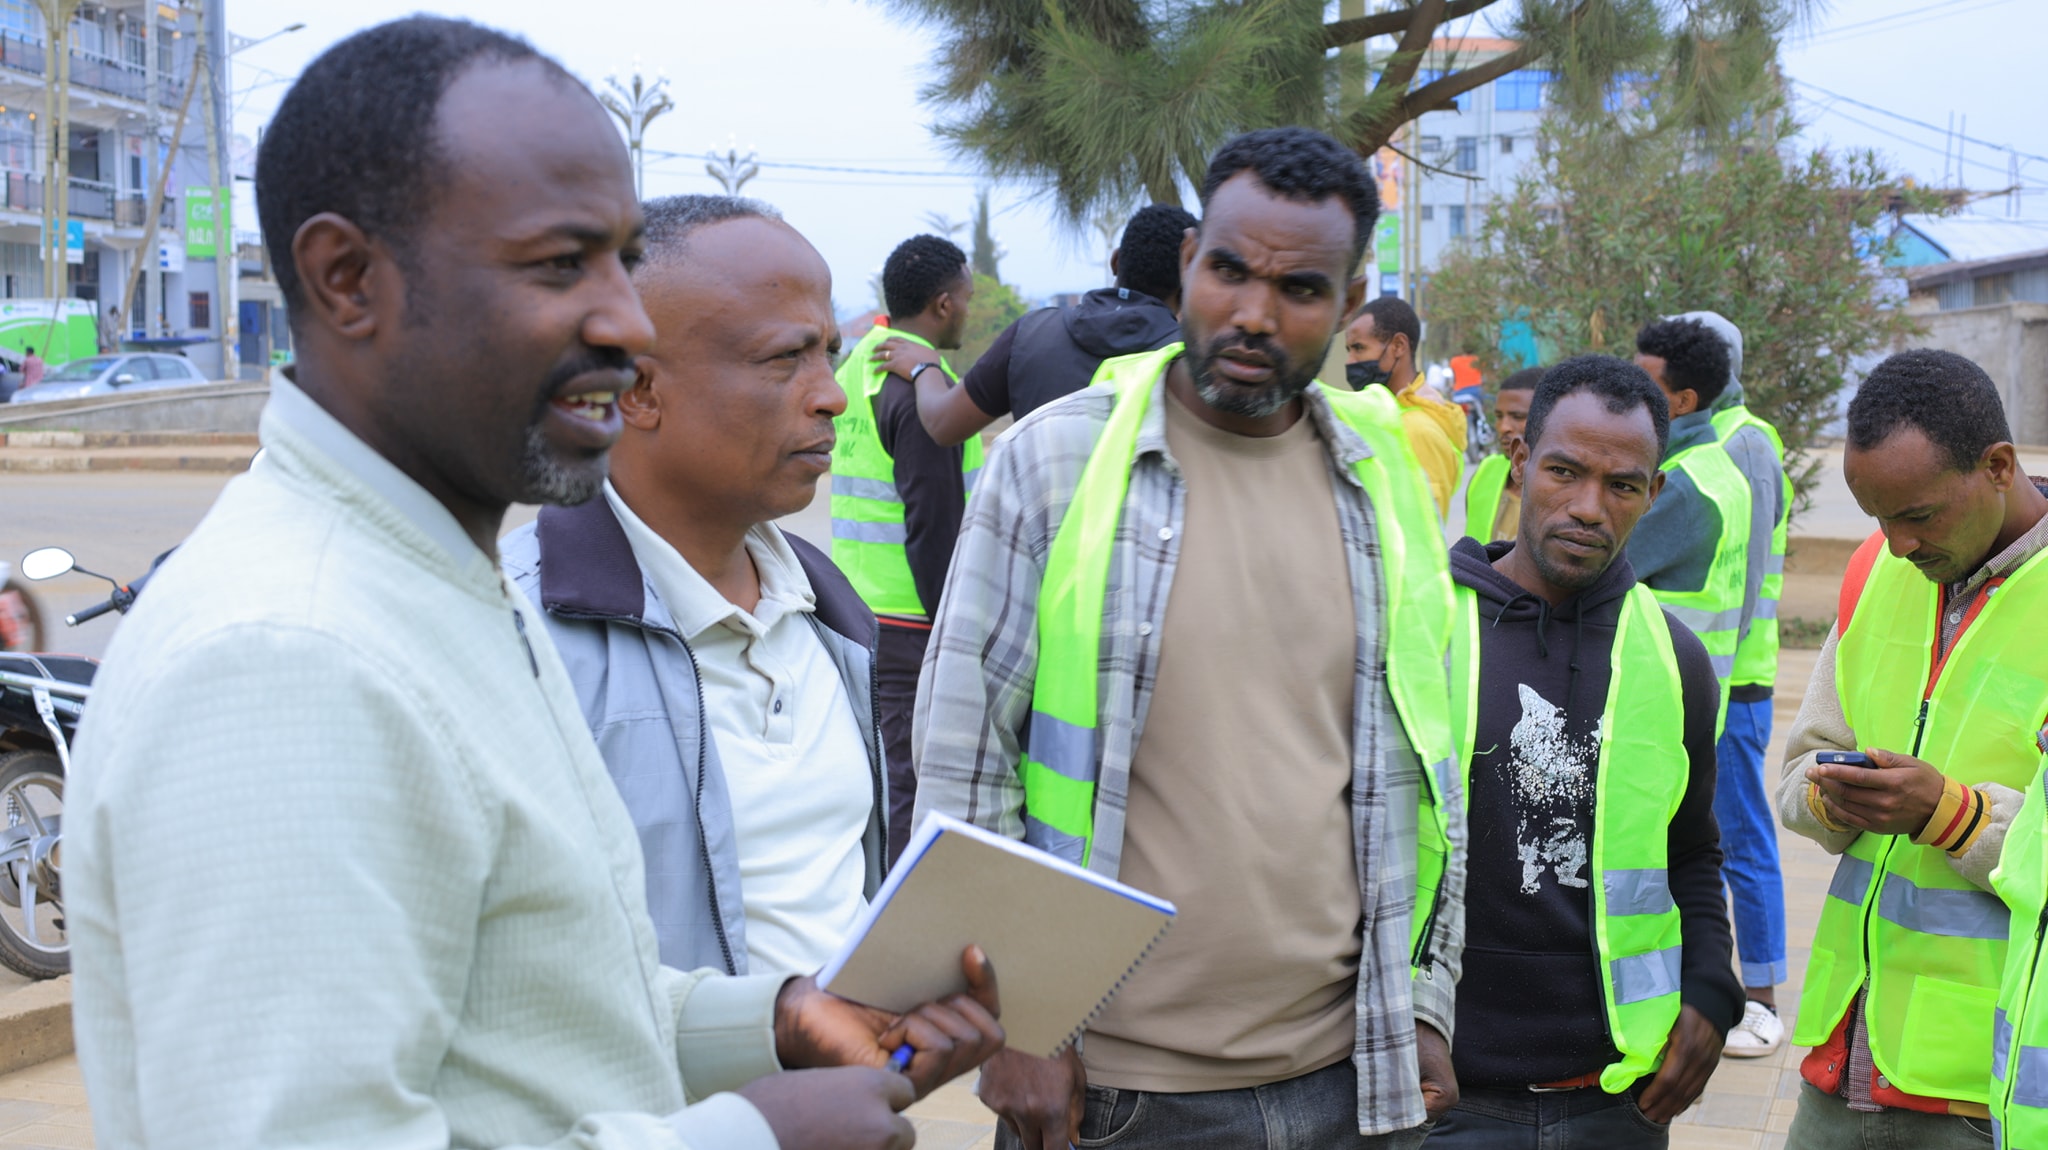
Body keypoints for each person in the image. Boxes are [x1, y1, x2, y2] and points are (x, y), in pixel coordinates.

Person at [65, 19, 1004, 1150]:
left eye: (620, 260)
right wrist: (745, 1138)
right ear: (348, 280)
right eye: (561, 265)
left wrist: (773, 1020)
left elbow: (538, 1005)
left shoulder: (435, 584)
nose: (622, 322)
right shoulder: (287, 654)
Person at [915, 126, 1464, 1150]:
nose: (1253, 313)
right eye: (1228, 271)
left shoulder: (1384, 483)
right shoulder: (1053, 463)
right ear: (1186, 262)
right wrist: (1015, 1021)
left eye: (1299, 288)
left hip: (1344, 1082)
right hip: (1117, 1094)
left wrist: (1422, 999)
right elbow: (962, 763)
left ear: (1349, 304)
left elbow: (1431, 770)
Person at [502, 194, 888, 978]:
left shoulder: (824, 606)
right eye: (785, 359)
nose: (832, 394)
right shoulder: (516, 635)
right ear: (638, 391)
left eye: (828, 352)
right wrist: (767, 1034)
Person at [1427, 355, 1740, 1148]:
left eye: (1622, 485)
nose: (1589, 508)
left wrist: (1711, 987)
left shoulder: (1672, 659)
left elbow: (1690, 850)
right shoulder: (1425, 634)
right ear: (1520, 460)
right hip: (1442, 1095)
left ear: (1654, 493)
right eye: (1564, 472)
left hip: (1614, 1102)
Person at [1778, 348, 2048, 1148]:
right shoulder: (1877, 572)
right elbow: (1799, 771)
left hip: (1987, 1091)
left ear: (1998, 466)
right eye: (1877, 517)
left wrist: (1954, 817)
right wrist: (1830, 796)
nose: (1897, 544)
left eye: (1918, 516)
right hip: (1843, 1065)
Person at [1665, 311, 1794, 1058]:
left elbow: (1745, 579)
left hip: (1735, 679)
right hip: (1714, 677)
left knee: (1742, 837)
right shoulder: (1716, 436)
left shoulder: (1745, 441)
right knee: (1705, 839)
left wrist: (1715, 676)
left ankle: (1764, 996)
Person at [830, 233, 982, 863]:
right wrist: (953, 625)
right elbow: (933, 523)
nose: (970, 310)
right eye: (967, 298)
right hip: (913, 622)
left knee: (881, 778)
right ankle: (895, 914)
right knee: (909, 789)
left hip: (857, 607)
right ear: (944, 305)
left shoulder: (858, 366)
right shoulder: (925, 391)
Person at [873, 203, 1195, 446]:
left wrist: (924, 367)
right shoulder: (1193, 363)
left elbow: (942, 425)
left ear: (1115, 261)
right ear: (1190, 278)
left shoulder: (1029, 334)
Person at [1628, 317, 1751, 718]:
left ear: (1683, 402)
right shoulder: (1718, 467)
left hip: (1657, 694)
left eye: (1645, 388)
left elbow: (1594, 571)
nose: (1629, 396)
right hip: (1698, 691)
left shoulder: (1678, 487)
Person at [1343, 294, 1467, 517]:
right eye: (1348, 350)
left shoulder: (1417, 429)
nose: (1350, 361)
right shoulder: (1387, 412)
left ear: (1398, 346)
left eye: (1359, 348)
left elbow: (1422, 523)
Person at [1460, 366, 1540, 543]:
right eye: (1498, 416)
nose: (1503, 427)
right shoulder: (1486, 470)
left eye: (1517, 416)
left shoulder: (1565, 489)